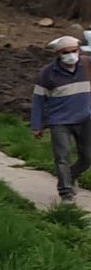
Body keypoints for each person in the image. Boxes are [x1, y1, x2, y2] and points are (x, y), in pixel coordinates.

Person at [32, 35, 91, 202]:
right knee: (62, 157)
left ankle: (71, 176)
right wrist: (37, 125)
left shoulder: (86, 65)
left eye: (74, 51)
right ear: (58, 54)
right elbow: (38, 100)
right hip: (59, 121)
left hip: (85, 118)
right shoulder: (47, 74)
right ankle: (66, 192)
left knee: (88, 157)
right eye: (66, 52)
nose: (71, 55)